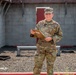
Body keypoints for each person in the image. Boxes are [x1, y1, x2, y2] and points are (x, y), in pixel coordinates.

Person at [30, 7, 63, 75]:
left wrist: (52, 38)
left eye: (49, 14)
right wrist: (33, 33)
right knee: (37, 66)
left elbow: (60, 36)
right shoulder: (40, 23)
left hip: (51, 49)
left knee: (50, 67)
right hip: (40, 49)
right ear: (44, 15)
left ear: (52, 14)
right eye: (46, 14)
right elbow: (36, 34)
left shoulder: (56, 25)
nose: (48, 15)